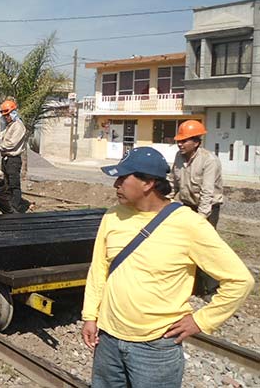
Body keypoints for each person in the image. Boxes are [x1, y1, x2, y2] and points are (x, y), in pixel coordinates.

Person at [81, 147, 253, 388]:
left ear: (148, 183)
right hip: (108, 340)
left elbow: (240, 280)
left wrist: (202, 320)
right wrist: (90, 316)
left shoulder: (188, 225)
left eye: (123, 178)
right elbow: (99, 269)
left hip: (155, 347)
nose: (116, 185)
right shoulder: (112, 216)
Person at [169, 119, 224, 297]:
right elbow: (173, 184)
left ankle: (212, 289)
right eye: (179, 140)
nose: (180, 144)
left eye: (184, 141)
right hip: (187, 205)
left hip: (207, 209)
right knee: (185, 246)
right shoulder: (179, 157)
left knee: (205, 246)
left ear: (196, 142)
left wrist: (200, 220)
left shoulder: (209, 161)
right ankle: (193, 287)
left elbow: (207, 193)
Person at [0, 99, 27, 213]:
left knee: (14, 185)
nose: (6, 117)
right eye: (4, 115)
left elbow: (11, 144)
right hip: (6, 159)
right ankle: (8, 208)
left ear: (13, 113)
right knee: (6, 184)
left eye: (7, 115)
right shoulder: (10, 126)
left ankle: (15, 208)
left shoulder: (18, 126)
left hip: (13, 159)